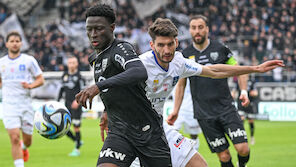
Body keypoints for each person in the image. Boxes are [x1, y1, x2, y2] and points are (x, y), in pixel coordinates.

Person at [102, 18, 284, 167]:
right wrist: (106, 113)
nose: (166, 50)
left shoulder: (179, 62)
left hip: (158, 127)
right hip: (131, 131)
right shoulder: (140, 65)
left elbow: (214, 71)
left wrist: (255, 68)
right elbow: (115, 87)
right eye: (161, 45)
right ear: (152, 44)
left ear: (176, 42)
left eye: (170, 44)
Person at [167, 15, 284, 167]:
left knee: (243, 149)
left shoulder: (220, 49)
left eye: (200, 27)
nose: (197, 31)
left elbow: (238, 69)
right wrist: (176, 110)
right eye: (193, 28)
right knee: (223, 156)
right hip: (204, 114)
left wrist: (243, 91)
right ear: (190, 30)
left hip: (226, 108)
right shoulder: (185, 55)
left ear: (207, 29)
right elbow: (181, 85)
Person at [75, 4, 172, 167]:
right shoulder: (95, 58)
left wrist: (98, 87)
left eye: (98, 29)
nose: (93, 34)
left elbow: (138, 72)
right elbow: (114, 86)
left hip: (147, 132)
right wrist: (107, 110)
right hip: (119, 132)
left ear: (112, 27)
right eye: (89, 29)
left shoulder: (121, 48)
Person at [0, 31, 44, 167]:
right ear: (7, 44)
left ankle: (24, 148)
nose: (14, 43)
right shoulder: (1, 62)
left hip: (25, 105)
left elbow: (40, 79)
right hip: (8, 106)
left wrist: (30, 86)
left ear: (21, 43)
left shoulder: (29, 60)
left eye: (17, 41)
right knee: (14, 138)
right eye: (12, 41)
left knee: (28, 141)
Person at [57, 56, 85, 156]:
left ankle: (77, 150)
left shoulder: (80, 76)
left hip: (76, 105)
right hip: (66, 104)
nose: (71, 65)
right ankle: (77, 141)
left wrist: (77, 102)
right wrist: (57, 101)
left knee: (76, 127)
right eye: (70, 63)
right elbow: (61, 89)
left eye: (73, 63)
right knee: (64, 128)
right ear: (67, 64)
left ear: (77, 64)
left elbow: (83, 91)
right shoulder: (64, 75)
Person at [172, 78, 202, 151]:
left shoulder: (192, 71)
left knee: (193, 134)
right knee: (172, 131)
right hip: (176, 107)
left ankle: (195, 152)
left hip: (191, 108)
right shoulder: (173, 72)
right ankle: (174, 152)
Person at [232, 75, 258, 145]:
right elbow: (234, 91)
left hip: (250, 103)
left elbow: (255, 92)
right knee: (241, 119)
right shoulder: (239, 81)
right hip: (241, 104)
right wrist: (233, 94)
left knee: (251, 121)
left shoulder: (252, 82)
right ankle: (243, 136)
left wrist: (254, 93)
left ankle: (252, 137)